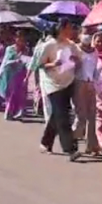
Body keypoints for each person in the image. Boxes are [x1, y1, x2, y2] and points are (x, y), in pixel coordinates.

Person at [37, 18, 82, 161]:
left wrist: (76, 61)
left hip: (68, 82)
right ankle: (70, 149)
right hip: (53, 84)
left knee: (57, 114)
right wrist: (54, 64)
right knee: (63, 116)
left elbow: (80, 62)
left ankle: (45, 142)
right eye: (69, 28)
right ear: (61, 29)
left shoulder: (72, 45)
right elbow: (41, 65)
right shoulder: (49, 45)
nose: (72, 31)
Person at [73, 34, 101, 154]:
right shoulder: (75, 49)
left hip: (91, 84)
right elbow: (68, 67)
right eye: (85, 33)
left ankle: (91, 145)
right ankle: (71, 140)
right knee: (81, 117)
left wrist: (97, 81)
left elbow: (95, 69)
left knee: (92, 116)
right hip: (79, 83)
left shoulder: (94, 52)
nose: (87, 36)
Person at [0, 30, 30, 121]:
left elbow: (27, 61)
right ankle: (9, 113)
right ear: (15, 39)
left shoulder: (26, 49)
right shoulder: (10, 49)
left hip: (21, 73)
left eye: (23, 39)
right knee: (11, 94)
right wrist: (15, 61)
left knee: (21, 94)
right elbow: (6, 61)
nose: (21, 40)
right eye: (19, 38)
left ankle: (19, 112)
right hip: (11, 74)